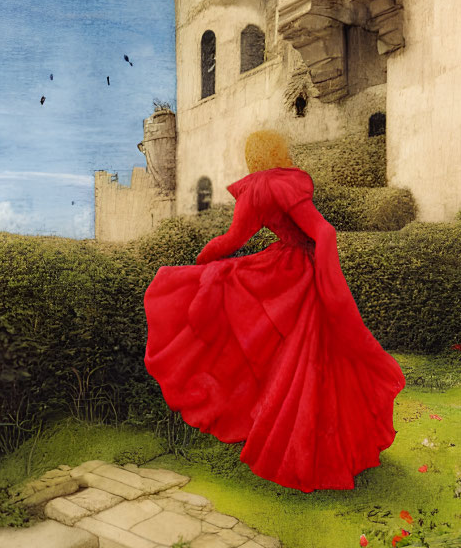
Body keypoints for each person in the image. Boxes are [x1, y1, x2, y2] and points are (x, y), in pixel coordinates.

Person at [143, 129, 406, 492]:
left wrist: (200, 263)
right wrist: (328, 275)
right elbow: (320, 233)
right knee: (315, 363)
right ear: (279, 152)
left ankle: (309, 456)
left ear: (254, 157)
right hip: (303, 271)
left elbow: (237, 240)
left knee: (297, 361)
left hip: (293, 273)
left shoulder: (260, 189)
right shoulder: (283, 183)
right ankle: (332, 455)